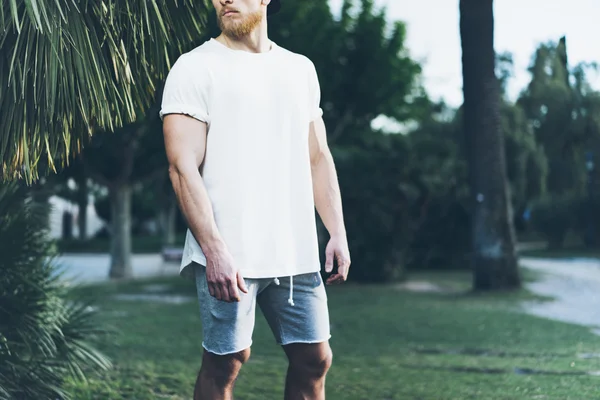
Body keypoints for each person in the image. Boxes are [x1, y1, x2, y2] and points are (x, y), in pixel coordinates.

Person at [160, 0, 351, 399]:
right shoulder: (194, 67)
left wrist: (337, 231)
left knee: (315, 359)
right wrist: (213, 250)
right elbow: (182, 168)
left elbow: (317, 156)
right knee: (225, 363)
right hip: (229, 250)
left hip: (294, 250)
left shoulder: (300, 69)